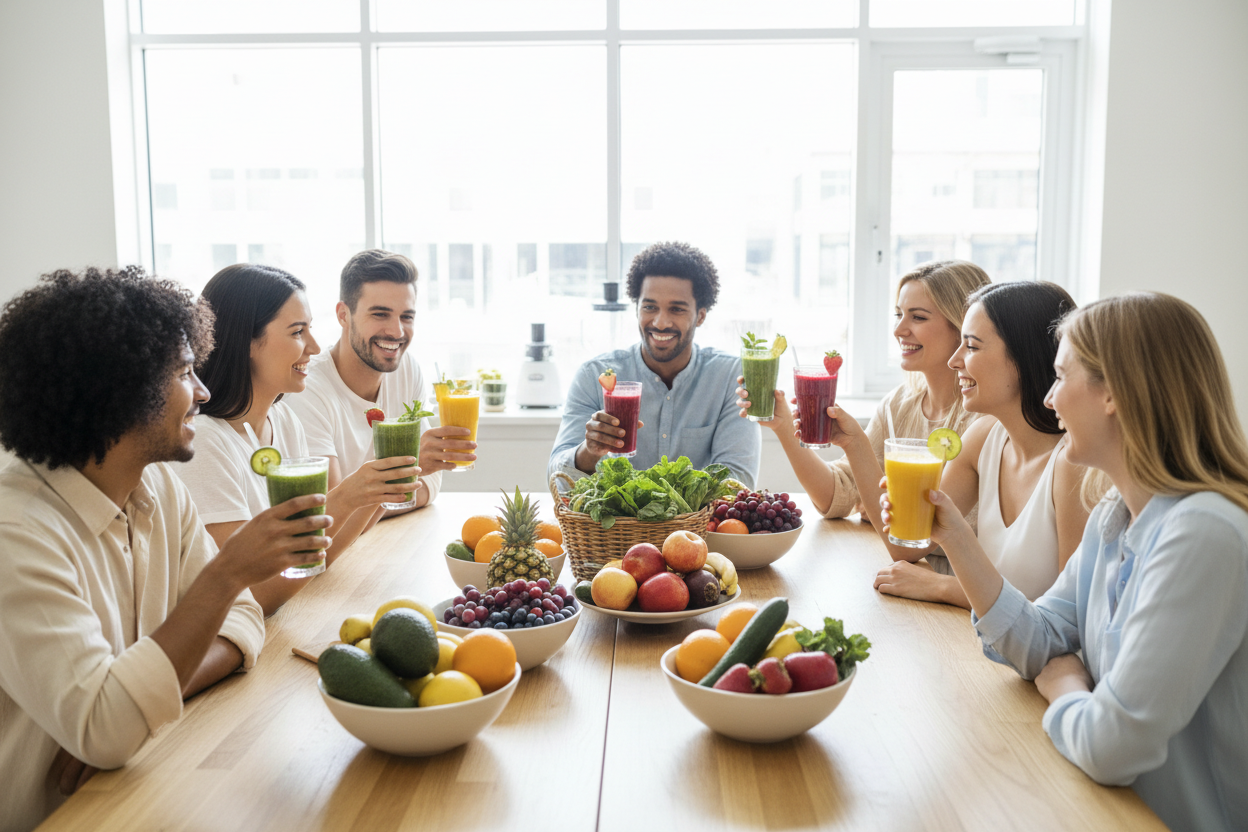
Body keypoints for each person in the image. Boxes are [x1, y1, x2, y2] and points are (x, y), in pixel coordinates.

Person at [882, 293, 1248, 831]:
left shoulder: (1203, 535)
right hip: (1101, 809)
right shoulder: (1114, 514)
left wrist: (1064, 686)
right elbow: (1038, 636)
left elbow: (1112, 747)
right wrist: (955, 538)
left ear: (1113, 395)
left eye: (1061, 376)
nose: (1049, 399)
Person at [0, 267, 332, 832]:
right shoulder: (19, 533)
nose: (202, 391)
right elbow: (106, 732)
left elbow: (245, 620)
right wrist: (226, 573)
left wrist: (141, 708)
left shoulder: (156, 488)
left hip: (142, 792)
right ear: (120, 391)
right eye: (183, 372)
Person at [175, 264, 417, 617]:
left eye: (310, 330)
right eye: (297, 332)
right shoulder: (205, 444)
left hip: (286, 620)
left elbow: (319, 558)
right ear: (246, 341)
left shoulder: (284, 419)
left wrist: (373, 493)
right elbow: (250, 596)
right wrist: (347, 495)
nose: (314, 347)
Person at [846, 281, 1092, 608]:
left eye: (972, 347)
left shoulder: (1074, 464)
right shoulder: (983, 438)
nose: (954, 361)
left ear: (1024, 357)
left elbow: (1069, 612)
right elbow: (907, 547)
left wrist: (943, 587)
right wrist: (852, 441)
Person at [737, 261, 989, 536]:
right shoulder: (897, 406)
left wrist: (878, 506)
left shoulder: (986, 416)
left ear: (963, 326)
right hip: (897, 564)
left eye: (918, 317)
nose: (898, 330)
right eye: (898, 315)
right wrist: (784, 426)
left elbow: (951, 526)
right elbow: (838, 496)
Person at [549, 241, 760, 487]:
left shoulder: (730, 378)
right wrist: (589, 450)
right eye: (650, 307)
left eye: (676, 309)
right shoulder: (594, 375)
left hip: (697, 527)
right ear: (636, 308)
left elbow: (738, 482)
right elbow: (557, 481)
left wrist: (659, 504)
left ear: (700, 315)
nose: (660, 323)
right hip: (615, 527)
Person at [285, 249, 473, 513]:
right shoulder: (309, 390)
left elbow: (430, 483)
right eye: (380, 314)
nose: (397, 331)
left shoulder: (406, 369)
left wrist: (380, 494)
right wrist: (404, 479)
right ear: (343, 315)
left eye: (406, 316)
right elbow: (330, 517)